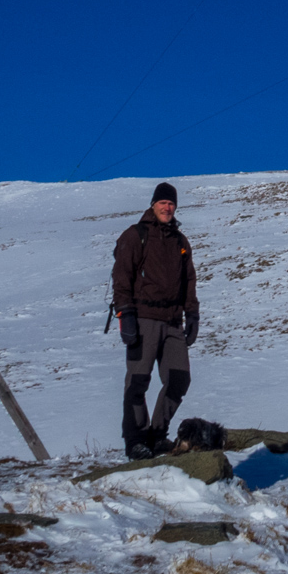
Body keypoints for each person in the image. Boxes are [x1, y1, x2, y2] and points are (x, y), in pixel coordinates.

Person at [112, 182, 200, 459]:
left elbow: (189, 281)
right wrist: (125, 314)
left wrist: (192, 314)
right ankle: (135, 440)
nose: (167, 207)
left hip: (173, 321)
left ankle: (157, 434)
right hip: (143, 318)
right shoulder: (136, 235)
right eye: (162, 202)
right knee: (138, 380)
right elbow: (121, 276)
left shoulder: (180, 241)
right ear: (153, 204)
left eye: (171, 203)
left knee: (179, 379)